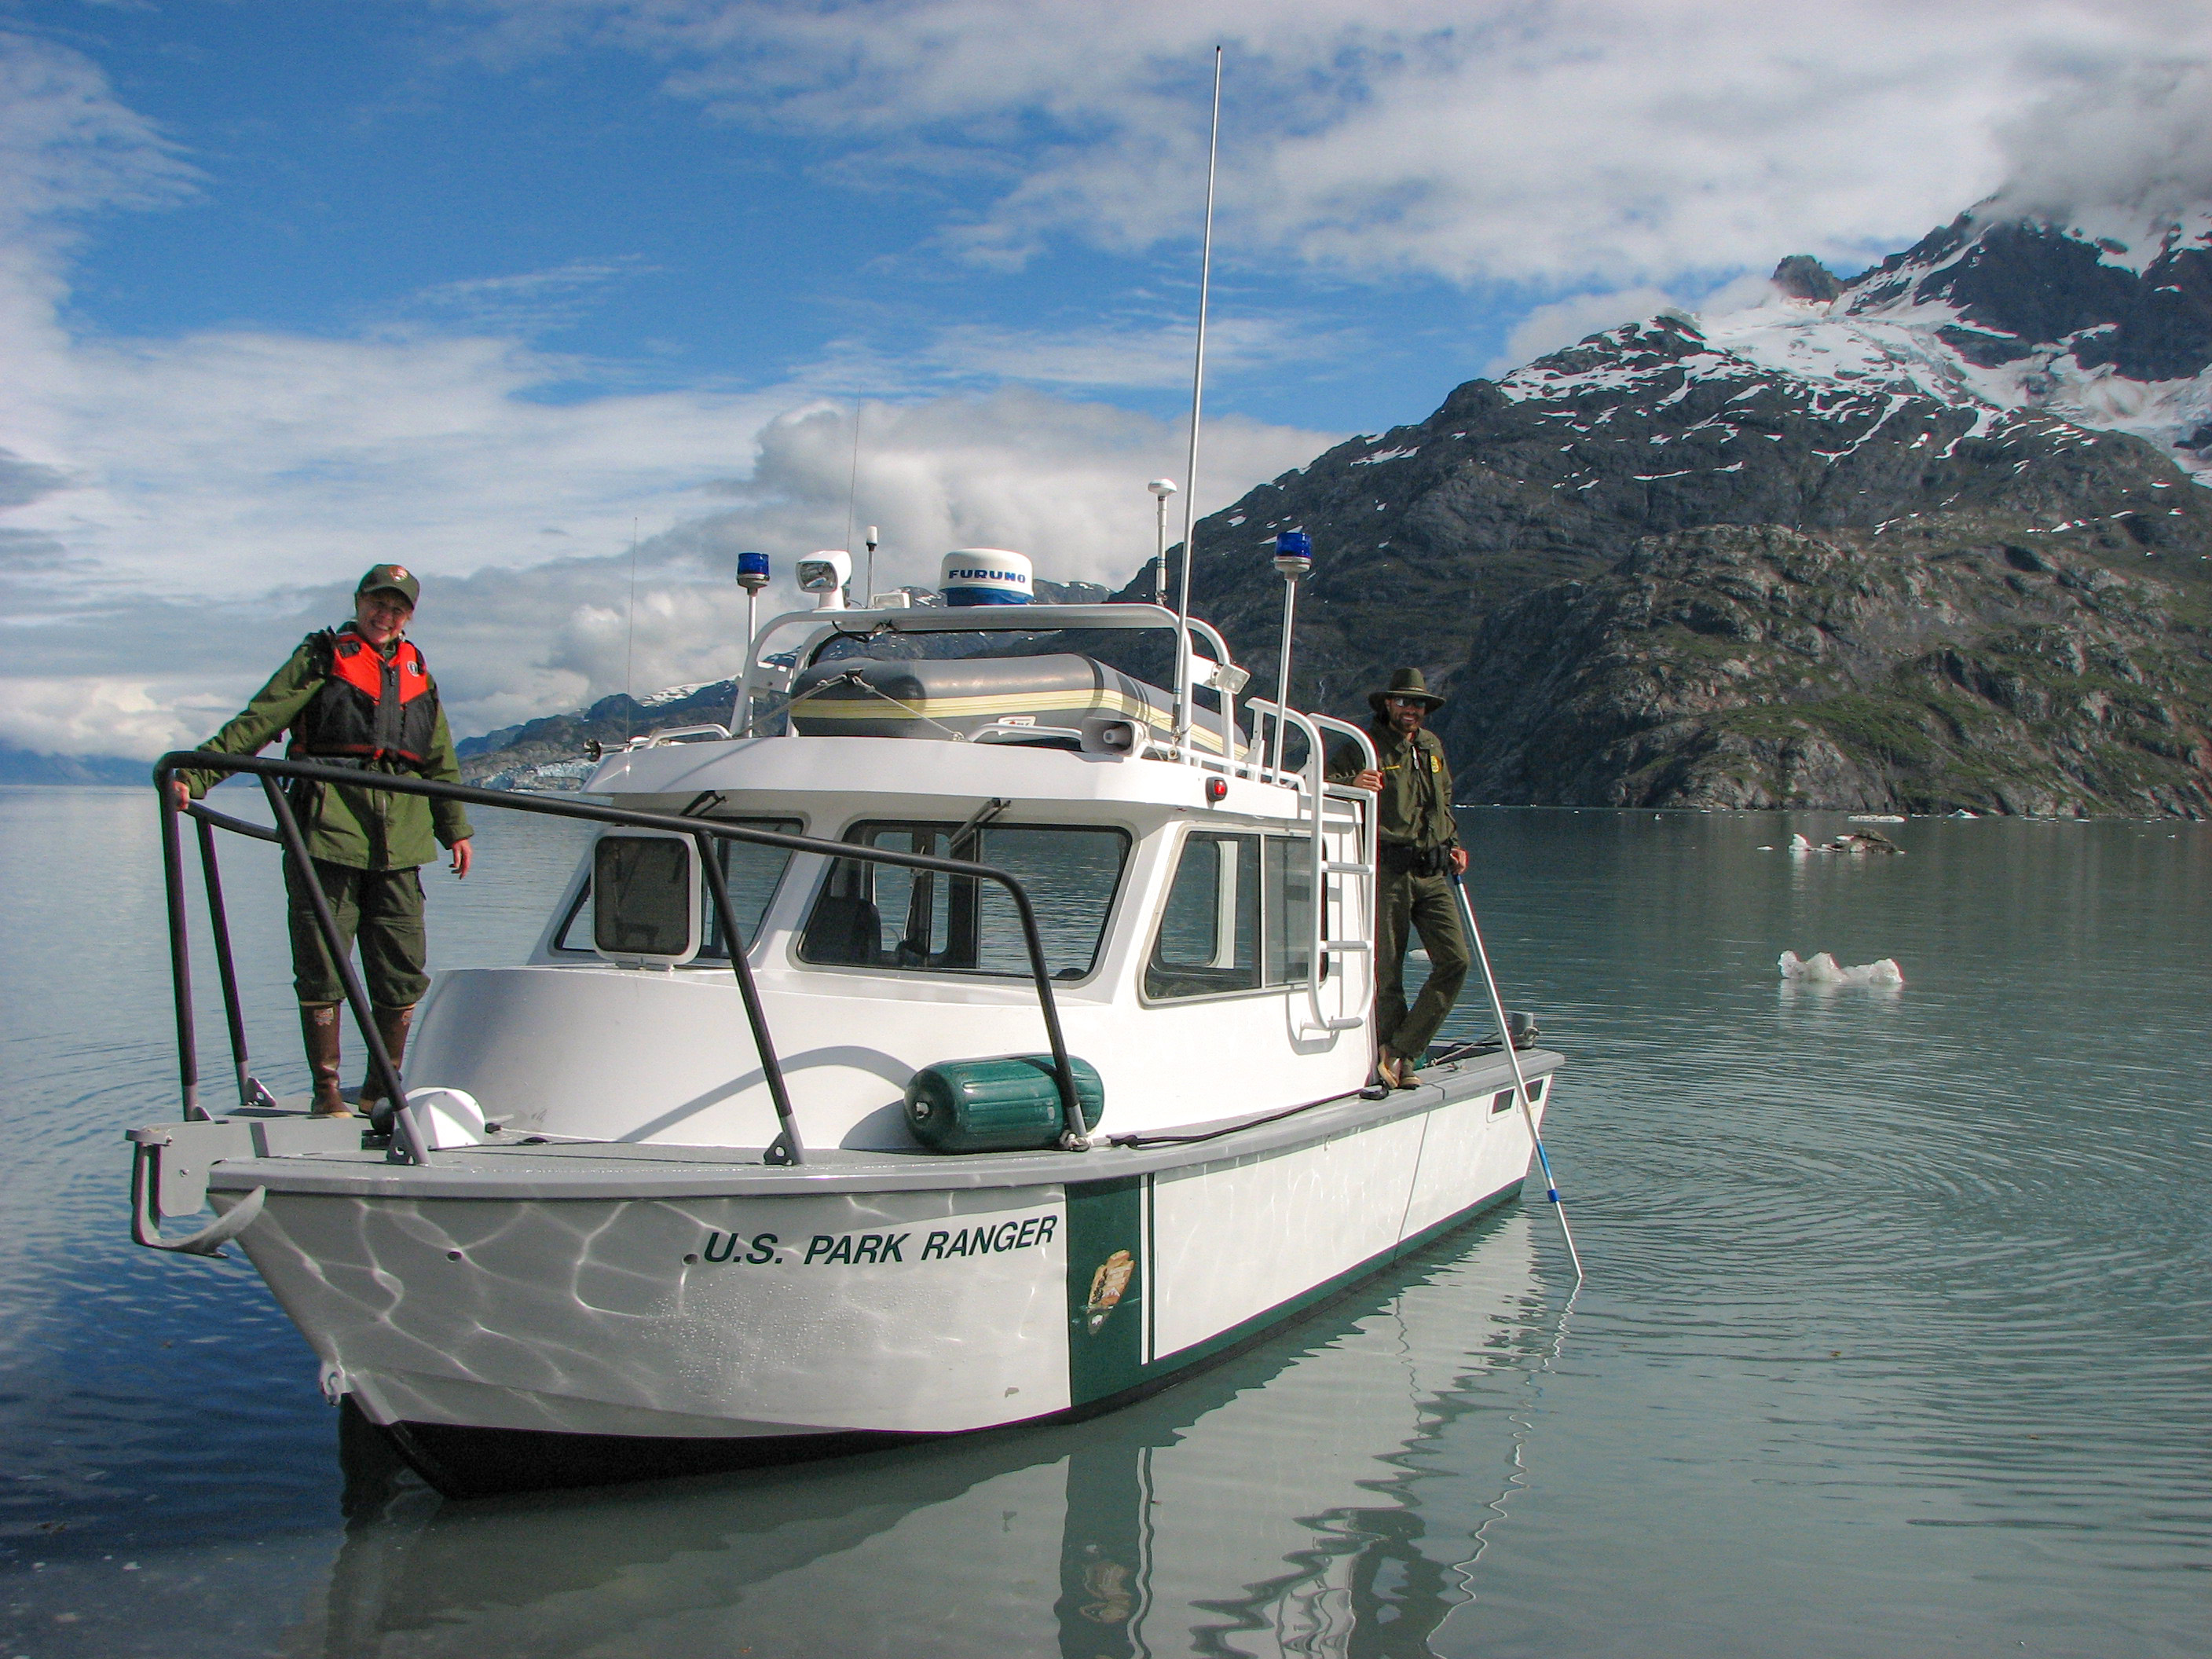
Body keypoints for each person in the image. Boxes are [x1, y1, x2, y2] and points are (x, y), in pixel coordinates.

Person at [170, 565, 474, 1116]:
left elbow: (439, 761)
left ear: (409, 616)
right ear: (359, 603)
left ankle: (382, 1087)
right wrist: (195, 776)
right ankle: (327, 1092)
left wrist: (454, 828)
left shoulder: (419, 675)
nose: (385, 616)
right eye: (377, 604)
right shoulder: (320, 657)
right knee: (321, 961)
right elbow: (259, 721)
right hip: (327, 832)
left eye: (397, 608)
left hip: (401, 843)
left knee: (402, 967)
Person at [1331, 668, 1470, 1089]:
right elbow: (1316, 782)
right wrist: (1352, 783)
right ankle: (1396, 1058)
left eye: (1419, 704)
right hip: (1388, 869)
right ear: (1388, 704)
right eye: (1405, 702)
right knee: (1386, 970)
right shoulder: (1365, 746)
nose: (1412, 710)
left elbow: (1442, 801)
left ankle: (1402, 1047)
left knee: (1455, 961)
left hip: (1433, 870)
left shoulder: (1431, 746)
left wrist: (1455, 843)